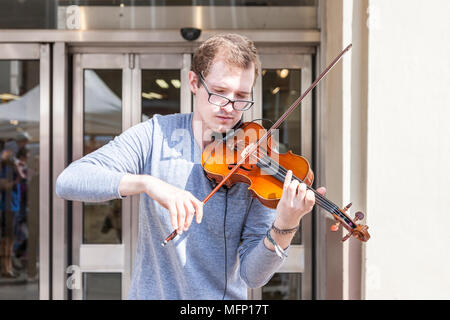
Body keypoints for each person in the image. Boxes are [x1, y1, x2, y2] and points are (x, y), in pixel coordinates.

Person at [56, 33, 325, 300]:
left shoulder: (256, 162)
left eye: (241, 96)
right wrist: (148, 183)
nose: (230, 108)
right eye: (219, 93)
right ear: (194, 82)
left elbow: (253, 276)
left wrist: (286, 224)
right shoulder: (154, 134)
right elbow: (69, 180)